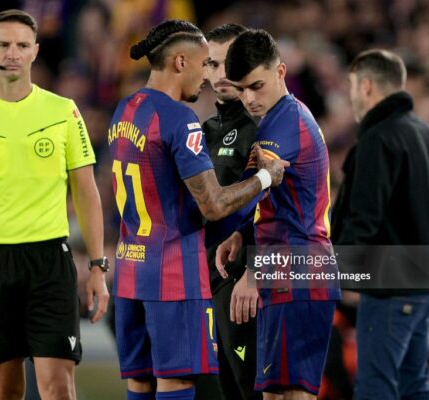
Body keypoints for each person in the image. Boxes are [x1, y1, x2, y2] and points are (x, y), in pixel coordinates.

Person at [0, 9, 109, 400]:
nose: (12, 53)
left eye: (22, 45)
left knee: (58, 387)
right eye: (4, 45)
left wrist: (98, 266)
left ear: (35, 51)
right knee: (3, 391)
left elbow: (86, 191)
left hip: (49, 262)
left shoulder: (63, 111)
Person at [108, 19, 288, 400]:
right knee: (177, 383)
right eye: (206, 63)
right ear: (180, 62)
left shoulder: (124, 110)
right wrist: (266, 177)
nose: (208, 76)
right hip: (173, 274)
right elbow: (214, 203)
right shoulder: (180, 120)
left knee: (140, 382)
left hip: (129, 269)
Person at [217, 29, 341, 400]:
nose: (249, 99)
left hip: (298, 272)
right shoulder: (279, 119)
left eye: (256, 86)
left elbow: (249, 194)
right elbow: (271, 202)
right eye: (241, 90)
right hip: (288, 271)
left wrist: (253, 270)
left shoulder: (285, 124)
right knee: (275, 394)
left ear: (281, 72)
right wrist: (242, 233)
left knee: (293, 395)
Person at [331, 49, 429, 400]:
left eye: (353, 86)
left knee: (375, 387)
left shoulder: (378, 139)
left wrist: (343, 273)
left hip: (390, 287)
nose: (352, 95)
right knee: (414, 384)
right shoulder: (428, 135)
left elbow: (364, 217)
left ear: (367, 86)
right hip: (423, 282)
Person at [200, 23, 261, 400]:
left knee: (251, 387)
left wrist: (254, 272)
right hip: (208, 278)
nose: (221, 73)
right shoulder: (203, 130)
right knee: (224, 388)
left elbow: (276, 206)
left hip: (242, 281)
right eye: (212, 63)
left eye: (229, 62)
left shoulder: (264, 125)